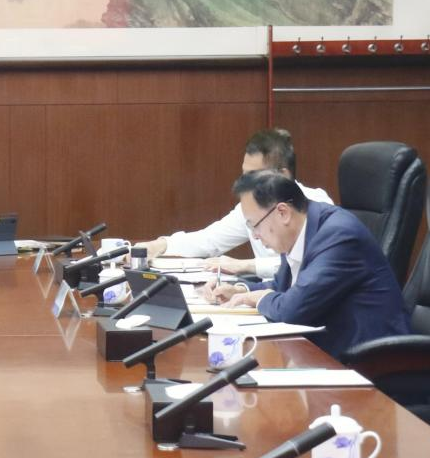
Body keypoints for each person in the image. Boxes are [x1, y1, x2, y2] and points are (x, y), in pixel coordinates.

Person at [202, 170, 409, 359]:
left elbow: (292, 309)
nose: (255, 235)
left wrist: (259, 298)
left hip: (374, 364)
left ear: (282, 213)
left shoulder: (339, 235)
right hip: (328, 352)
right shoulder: (301, 232)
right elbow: (283, 287)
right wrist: (239, 291)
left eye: (254, 225)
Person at [137, 128, 332, 277]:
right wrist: (161, 245)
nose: (246, 183)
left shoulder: (317, 206)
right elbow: (209, 240)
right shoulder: (252, 208)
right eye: (244, 174)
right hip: (268, 295)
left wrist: (245, 265)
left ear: (283, 175)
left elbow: (309, 266)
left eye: (254, 175)